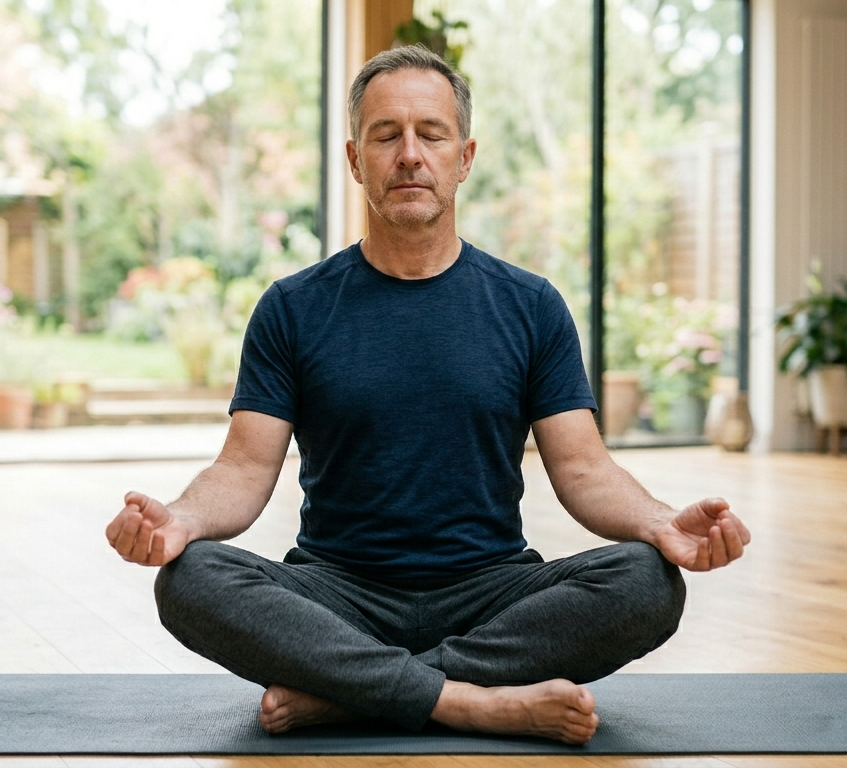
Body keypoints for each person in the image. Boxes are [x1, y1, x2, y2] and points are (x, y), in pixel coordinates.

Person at [105, 45, 751, 746]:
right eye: (386, 135)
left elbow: (586, 470)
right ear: (356, 160)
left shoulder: (531, 306)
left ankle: (354, 695)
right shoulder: (291, 308)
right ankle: (471, 701)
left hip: (491, 594)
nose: (409, 154)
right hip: (338, 593)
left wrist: (660, 523)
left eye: (430, 133)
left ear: (463, 156)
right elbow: (242, 470)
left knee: (647, 583)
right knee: (189, 580)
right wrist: (179, 520)